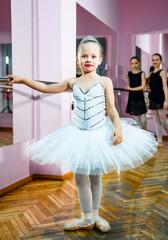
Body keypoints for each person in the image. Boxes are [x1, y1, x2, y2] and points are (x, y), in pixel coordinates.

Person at [8, 36, 158, 233]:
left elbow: (111, 109)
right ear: (77, 59)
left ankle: (95, 215)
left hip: (98, 135)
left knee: (95, 177)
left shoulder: (105, 81)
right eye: (84, 55)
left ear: (100, 60)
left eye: (93, 56)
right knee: (79, 178)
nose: (88, 59)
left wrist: (118, 127)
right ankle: (86, 217)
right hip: (78, 135)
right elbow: (46, 88)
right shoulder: (73, 82)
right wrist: (23, 80)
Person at [148, 53, 168, 147]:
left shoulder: (162, 72)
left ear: (160, 61)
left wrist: (166, 101)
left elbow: (165, 87)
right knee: (156, 120)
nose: (155, 61)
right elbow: (148, 86)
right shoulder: (151, 73)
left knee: (163, 120)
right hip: (153, 98)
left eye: (157, 60)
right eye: (153, 60)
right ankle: (159, 139)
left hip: (160, 98)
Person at [125, 57, 147, 129]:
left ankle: (146, 133)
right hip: (132, 98)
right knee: (138, 122)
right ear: (130, 64)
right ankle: (143, 137)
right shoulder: (128, 74)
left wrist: (130, 88)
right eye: (132, 63)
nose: (134, 65)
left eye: (136, 63)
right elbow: (130, 84)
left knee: (143, 120)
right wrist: (128, 87)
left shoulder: (142, 73)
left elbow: (142, 87)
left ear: (139, 63)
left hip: (140, 98)